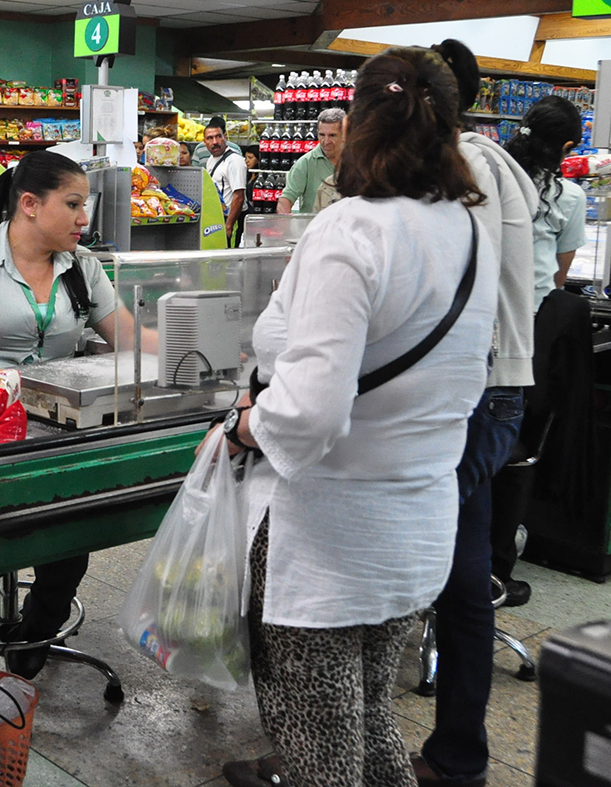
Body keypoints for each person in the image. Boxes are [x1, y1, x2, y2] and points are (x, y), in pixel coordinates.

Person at [218, 47, 497, 787]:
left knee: (321, 756)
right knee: (374, 727)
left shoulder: (352, 231)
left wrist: (244, 425)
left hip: (327, 542)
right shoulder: (469, 233)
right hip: (418, 526)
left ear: (361, 121)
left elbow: (309, 414)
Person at [0, 150, 153, 679]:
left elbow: (130, 339)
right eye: (72, 204)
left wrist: (204, 345)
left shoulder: (83, 269)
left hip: (61, 429)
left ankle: (39, 628)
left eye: (84, 205)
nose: (84, 219)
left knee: (71, 524)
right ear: (28, 204)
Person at [408, 38, 539, 787]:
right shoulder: (476, 162)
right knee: (458, 572)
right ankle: (455, 753)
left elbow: (457, 300)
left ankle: (456, 754)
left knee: (453, 574)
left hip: (472, 394)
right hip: (479, 391)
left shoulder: (470, 170)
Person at [506, 95, 587, 312]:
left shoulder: (490, 179)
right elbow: (559, 277)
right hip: (535, 310)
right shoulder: (570, 196)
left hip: (481, 311)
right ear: (566, 147)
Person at [278, 107, 345, 214]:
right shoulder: (305, 163)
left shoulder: (357, 161)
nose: (326, 141)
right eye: (322, 135)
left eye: (332, 135)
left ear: (344, 134)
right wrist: (285, 223)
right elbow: (286, 199)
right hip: (316, 228)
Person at [202, 117, 249, 247]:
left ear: (225, 137)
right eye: (210, 138)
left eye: (218, 137)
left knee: (230, 257)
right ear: (204, 141)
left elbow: (239, 196)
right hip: (218, 219)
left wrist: (229, 225)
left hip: (232, 220)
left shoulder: (234, 161)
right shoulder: (211, 160)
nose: (215, 142)